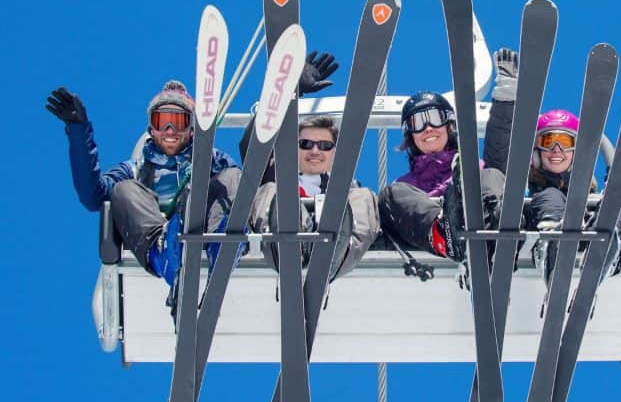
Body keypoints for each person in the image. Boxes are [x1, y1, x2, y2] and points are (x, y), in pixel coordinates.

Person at [46, 81, 241, 287]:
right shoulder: (136, 170)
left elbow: (238, 190)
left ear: (191, 129)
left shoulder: (213, 161)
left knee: (232, 177)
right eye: (162, 121)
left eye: (179, 121)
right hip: (161, 238)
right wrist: (78, 129)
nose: (170, 130)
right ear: (152, 129)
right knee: (124, 189)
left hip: (202, 229)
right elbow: (92, 196)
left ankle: (222, 248)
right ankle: (163, 253)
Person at [377, 48, 518, 262]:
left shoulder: (475, 170)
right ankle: (443, 233)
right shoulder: (405, 188)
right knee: (390, 194)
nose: (428, 128)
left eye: (434, 117)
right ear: (410, 135)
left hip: (481, 224)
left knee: (492, 175)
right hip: (435, 238)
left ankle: (492, 233)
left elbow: (500, 148)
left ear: (449, 124)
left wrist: (506, 98)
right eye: (418, 123)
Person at [243, 115, 380, 280]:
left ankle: (335, 252)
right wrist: (280, 102)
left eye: (325, 146)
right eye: (306, 144)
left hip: (339, 247)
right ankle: (290, 247)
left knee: (364, 196)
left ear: (335, 153)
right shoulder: (277, 180)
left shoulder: (351, 193)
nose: (315, 151)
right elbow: (254, 148)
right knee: (271, 190)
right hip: (283, 243)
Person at [526, 109, 621, 284]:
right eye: (548, 141)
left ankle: (604, 246)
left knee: (619, 200)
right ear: (537, 153)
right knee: (550, 195)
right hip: (537, 228)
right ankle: (551, 245)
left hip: (586, 235)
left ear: (576, 152)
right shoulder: (529, 194)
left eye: (565, 142)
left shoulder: (591, 198)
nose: (556, 149)